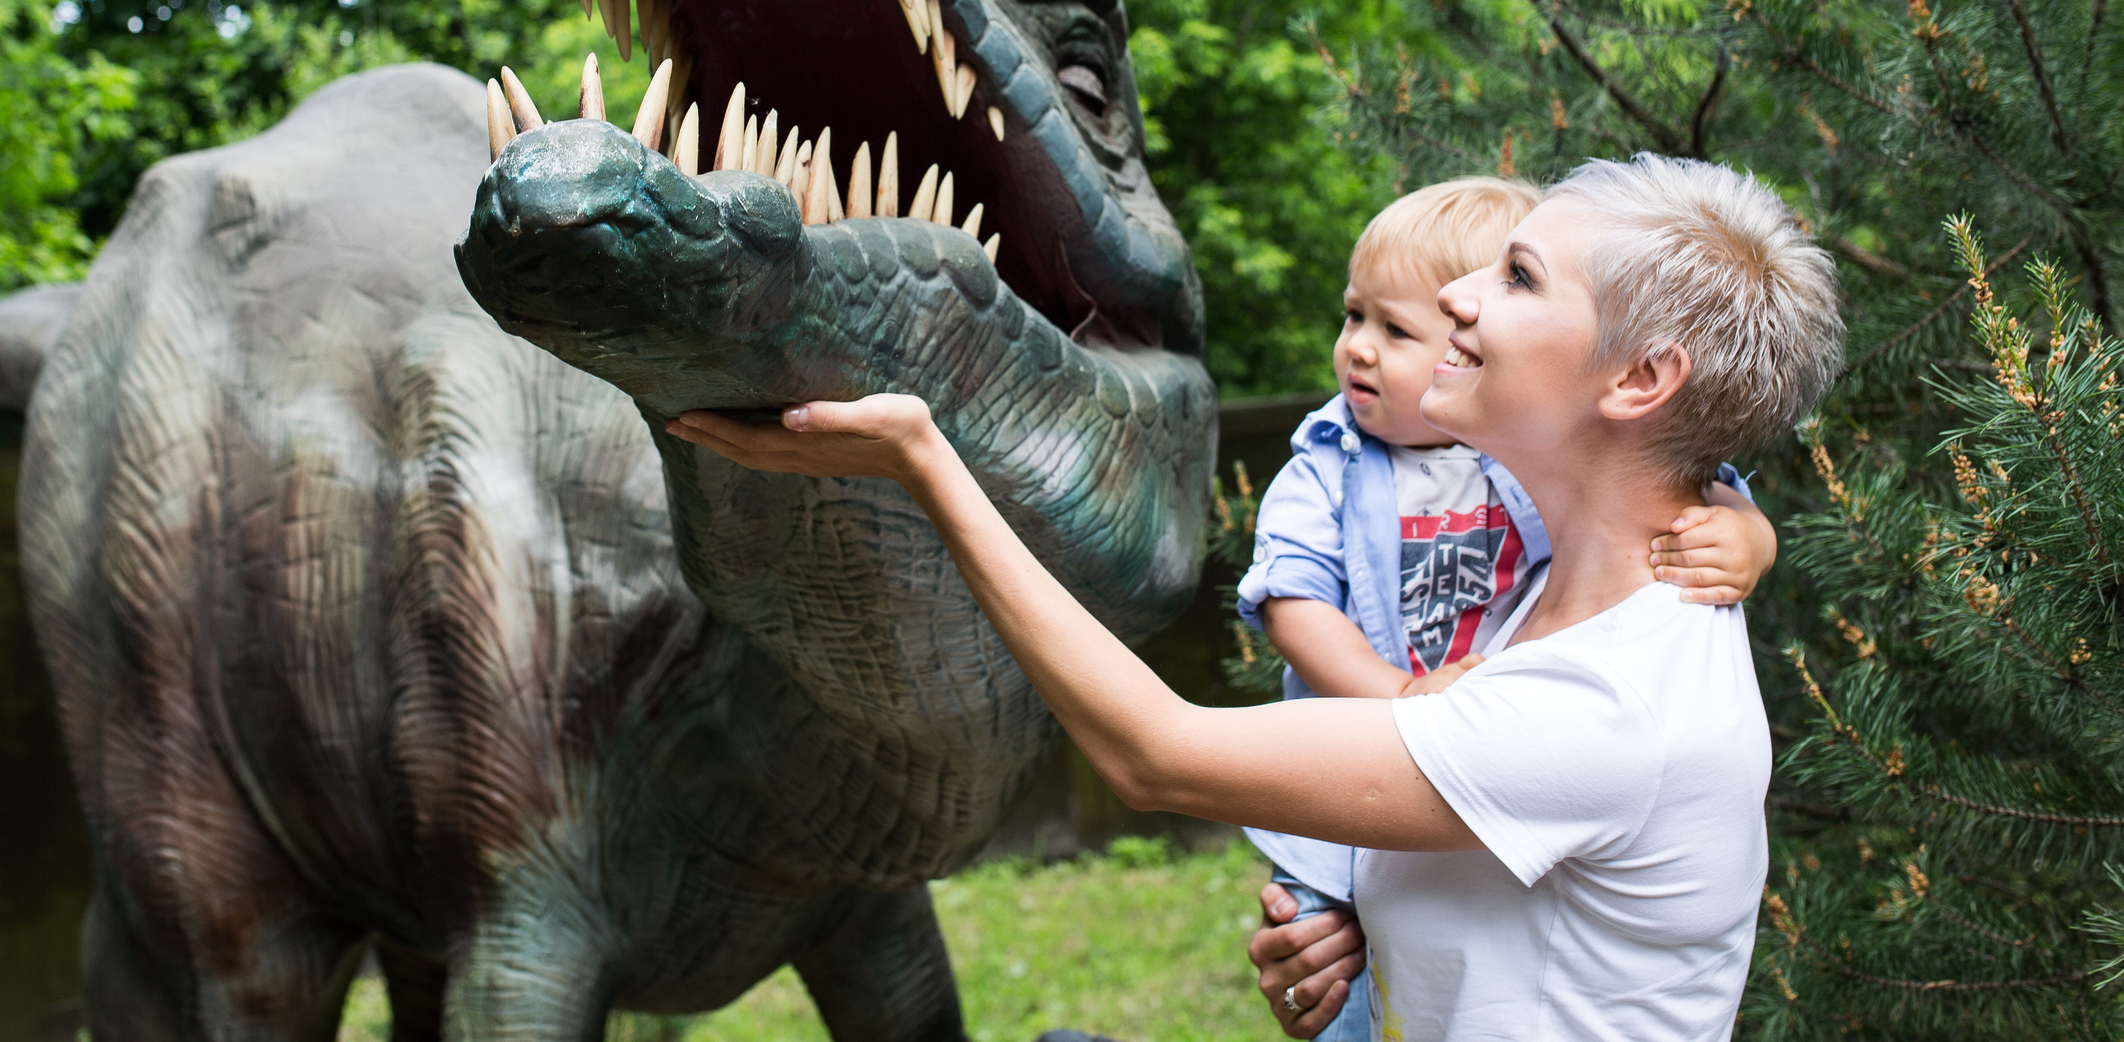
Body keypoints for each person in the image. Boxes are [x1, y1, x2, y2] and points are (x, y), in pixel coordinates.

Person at [669, 155, 1841, 1041]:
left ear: (1639, 380)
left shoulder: (1605, 703)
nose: (1464, 300)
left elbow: (1153, 754)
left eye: (1518, 276)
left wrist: (928, 464)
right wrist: (1353, 923)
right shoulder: (1579, 586)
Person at [1237, 178, 1780, 1037]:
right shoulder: (1329, 460)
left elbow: (1690, 479)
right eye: (1353, 317)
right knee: (1321, 947)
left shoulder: (1546, 501)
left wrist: (1749, 537)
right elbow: (1291, 598)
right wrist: (1395, 702)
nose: (1360, 350)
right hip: (1359, 750)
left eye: (1398, 328)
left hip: (1460, 756)